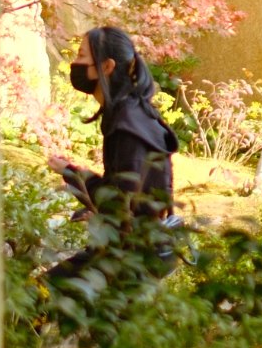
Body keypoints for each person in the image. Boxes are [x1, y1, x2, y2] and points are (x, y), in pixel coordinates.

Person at [48, 26, 178, 213]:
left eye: (81, 56)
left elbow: (122, 205)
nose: (74, 63)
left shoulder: (126, 126)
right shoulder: (129, 114)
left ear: (107, 67)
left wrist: (71, 174)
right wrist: (69, 171)